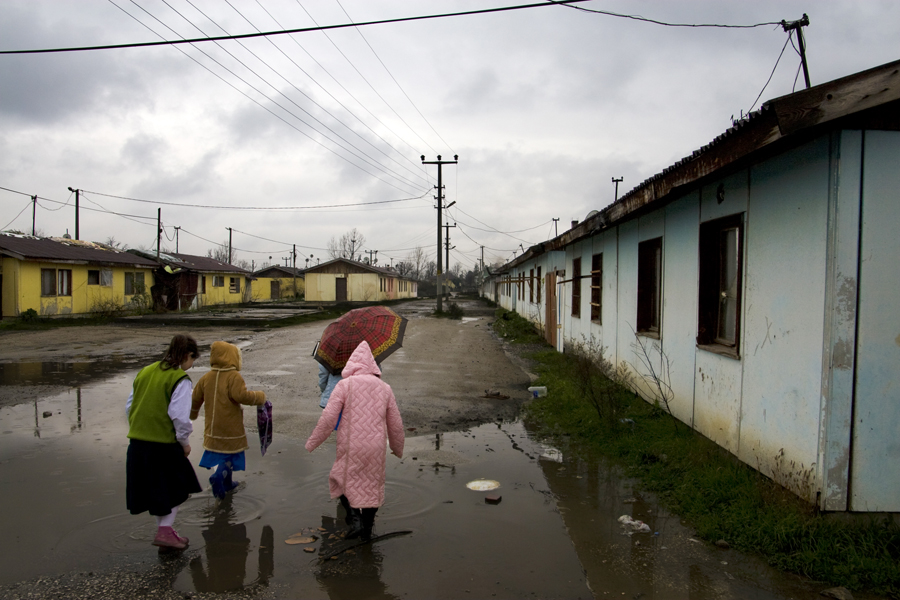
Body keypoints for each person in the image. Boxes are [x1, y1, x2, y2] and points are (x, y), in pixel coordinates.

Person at [306, 340, 405, 542]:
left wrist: (313, 442)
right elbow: (395, 423)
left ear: (352, 363)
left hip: (352, 445)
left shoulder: (344, 385)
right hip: (376, 447)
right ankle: (367, 531)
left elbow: (328, 419)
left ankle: (355, 519)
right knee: (372, 487)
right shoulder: (385, 388)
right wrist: (397, 448)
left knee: (340, 479)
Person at [126, 333, 202, 550]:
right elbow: (179, 416)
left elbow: (130, 406)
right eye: (192, 360)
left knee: (156, 490)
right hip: (163, 444)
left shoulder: (146, 371)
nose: (191, 364)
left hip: (138, 443)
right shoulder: (179, 378)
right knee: (179, 486)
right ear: (187, 355)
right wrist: (184, 442)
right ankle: (166, 531)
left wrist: (139, 428)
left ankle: (165, 532)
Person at [191, 341, 267, 500]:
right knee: (231, 455)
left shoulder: (206, 377)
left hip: (212, 426)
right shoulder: (233, 377)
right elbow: (241, 396)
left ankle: (227, 482)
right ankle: (219, 477)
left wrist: (193, 413)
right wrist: (259, 397)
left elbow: (196, 397)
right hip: (230, 425)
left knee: (221, 453)